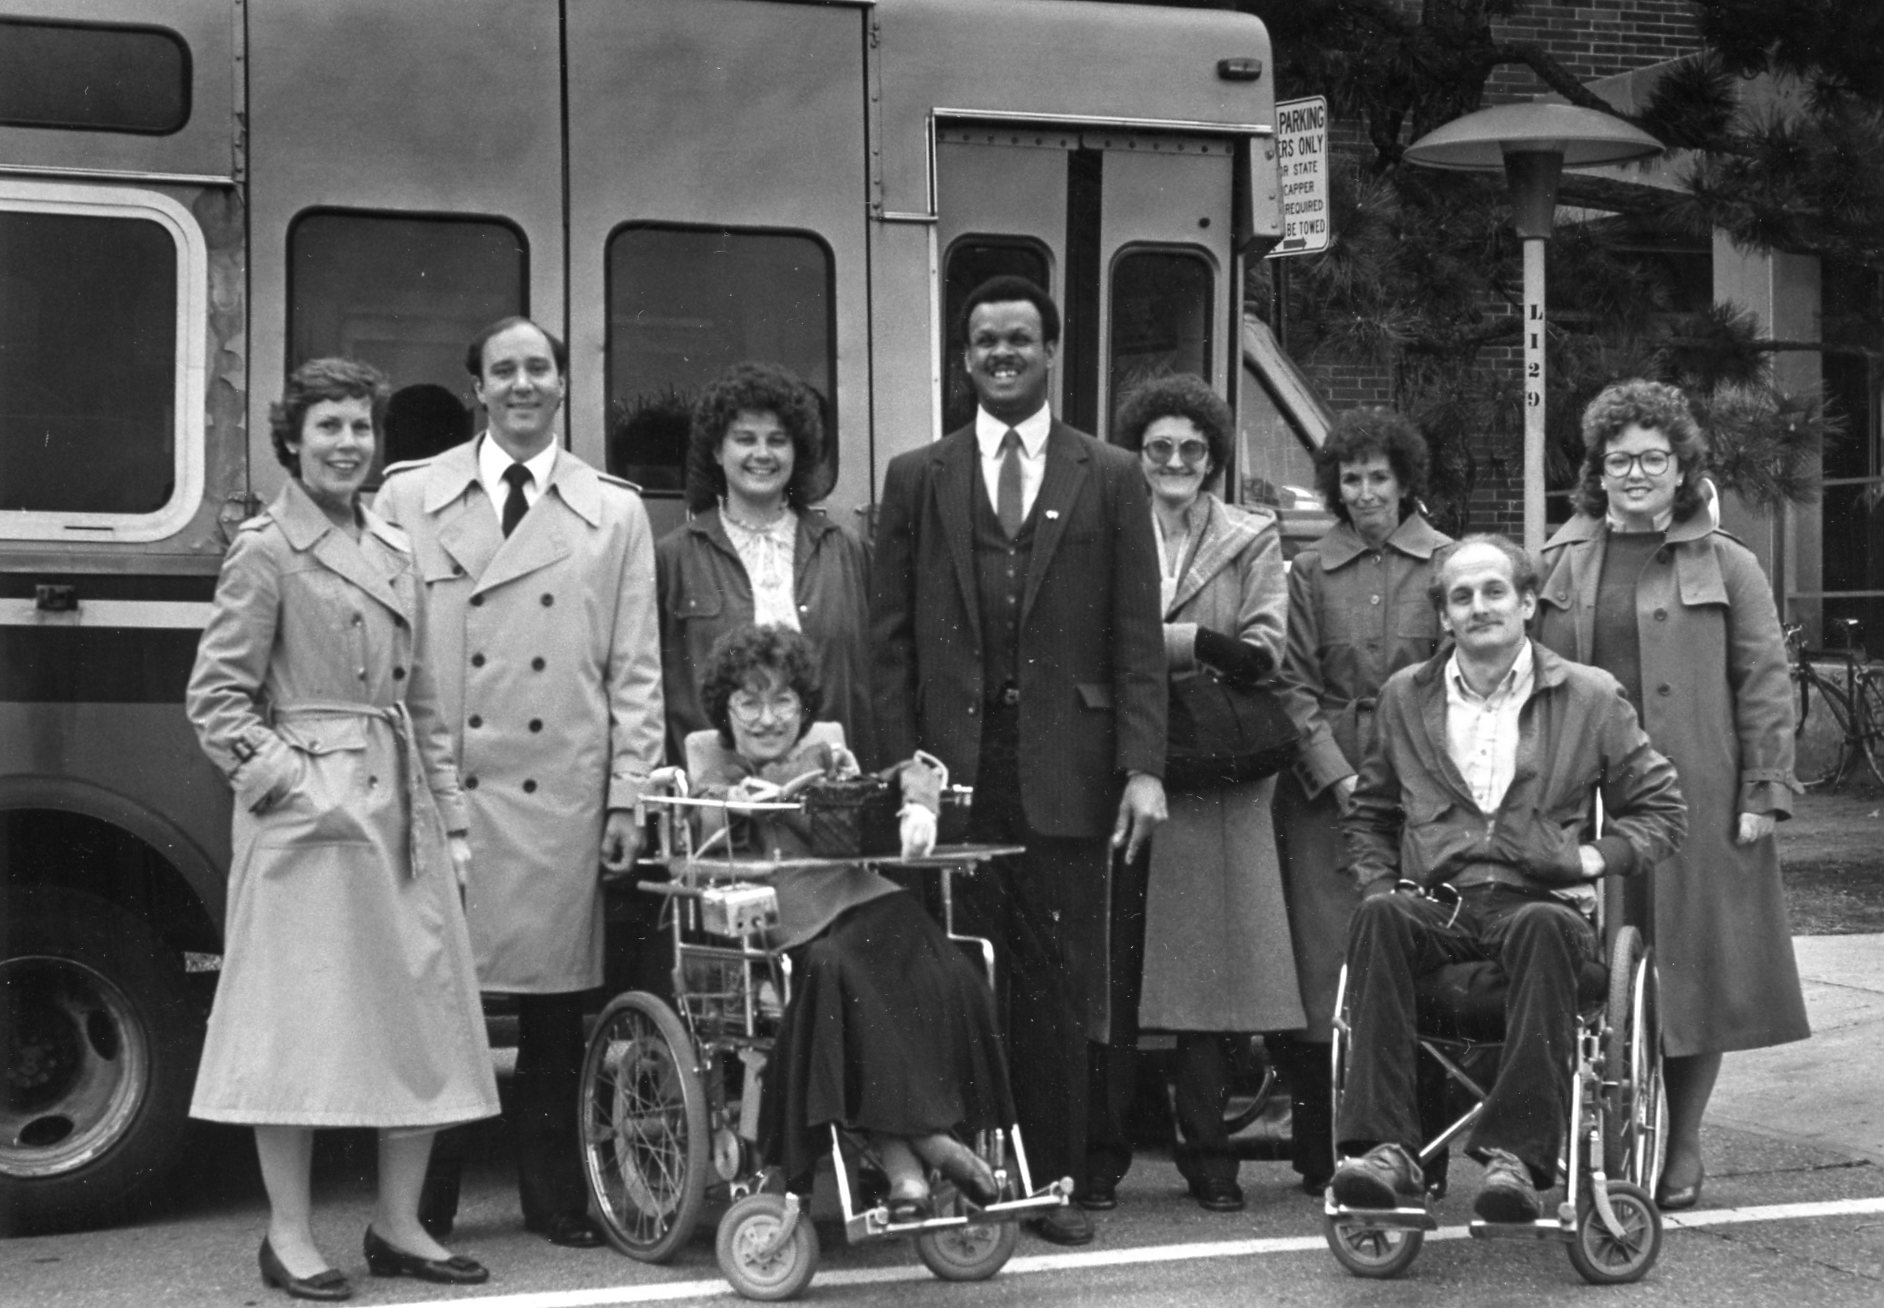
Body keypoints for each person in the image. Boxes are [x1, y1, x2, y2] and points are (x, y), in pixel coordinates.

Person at [187, 358, 500, 1299]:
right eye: (327, 426)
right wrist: (295, 781)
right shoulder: (266, 547)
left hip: (398, 811)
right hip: (309, 821)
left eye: (360, 427)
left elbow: (427, 701)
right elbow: (216, 700)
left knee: (421, 1017)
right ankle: (287, 1235)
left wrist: (449, 819)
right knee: (298, 1027)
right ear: (293, 438)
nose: (346, 444)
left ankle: (398, 1225)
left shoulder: (396, 545)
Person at [870, 275, 1167, 1246]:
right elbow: (890, 645)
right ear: (964, 359)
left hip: (1067, 773)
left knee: (1053, 986)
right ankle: (965, 1172)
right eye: (985, 341)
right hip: (948, 772)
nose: (1002, 353)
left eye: (1020, 339)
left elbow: (1136, 637)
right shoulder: (918, 476)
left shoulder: (1112, 475)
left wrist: (1144, 768)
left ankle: (1053, 1183)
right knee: (950, 976)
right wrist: (900, 767)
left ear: (1050, 352)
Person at [375, 316, 664, 1249]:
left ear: (562, 383)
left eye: (539, 367)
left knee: (550, 1016)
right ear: (479, 389)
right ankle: (424, 1207)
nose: (523, 384)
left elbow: (636, 672)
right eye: (505, 370)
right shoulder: (410, 497)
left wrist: (629, 795)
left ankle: (554, 1201)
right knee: (439, 998)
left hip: (561, 790)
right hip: (446, 785)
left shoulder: (613, 510)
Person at [1331, 535, 1686, 1223]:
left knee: (1546, 926)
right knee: (1379, 918)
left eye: (1494, 591)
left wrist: (1586, 860)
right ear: (1444, 617)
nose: (1478, 606)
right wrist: (1379, 884)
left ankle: (1516, 1161)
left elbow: (1664, 814)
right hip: (1442, 904)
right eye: (1460, 596)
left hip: (1541, 901)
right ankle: (1386, 1153)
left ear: (1527, 602)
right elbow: (1370, 815)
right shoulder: (1407, 697)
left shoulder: (1589, 695)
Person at [1535, 379, 1810, 1211]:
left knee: (1692, 972)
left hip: (1700, 798)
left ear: (1683, 467)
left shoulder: (1728, 561)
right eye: (1620, 460)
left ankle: (1681, 1147)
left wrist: (1765, 789)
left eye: (1655, 458)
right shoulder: (1559, 557)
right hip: (1586, 800)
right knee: (1589, 970)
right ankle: (1599, 1143)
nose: (1637, 473)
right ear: (1598, 469)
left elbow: (1764, 680)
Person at [683, 625, 1009, 1218]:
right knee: (843, 980)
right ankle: (924, 1152)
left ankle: (911, 1169)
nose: (766, 718)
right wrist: (741, 805)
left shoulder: (829, 760)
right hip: (800, 932)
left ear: (802, 708)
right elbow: (705, 832)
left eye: (782, 701)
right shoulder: (716, 778)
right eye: (748, 702)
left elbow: (910, 770)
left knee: (931, 972)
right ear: (724, 712)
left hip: (880, 909)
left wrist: (919, 808)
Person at [1085, 374, 1303, 1213]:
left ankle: (1210, 1158)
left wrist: (1151, 642)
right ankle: (1101, 1157)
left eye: (1193, 449)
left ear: (1212, 457)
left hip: (1212, 775)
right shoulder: (1106, 529)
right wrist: (1198, 642)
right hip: (1123, 767)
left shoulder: (1252, 536)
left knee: (1210, 977)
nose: (1176, 462)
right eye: (1159, 448)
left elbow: (1265, 653)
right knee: (1116, 968)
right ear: (1138, 454)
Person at [1270, 407, 1450, 1195]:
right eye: (1351, 478)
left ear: (1405, 480)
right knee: (1324, 972)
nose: (1366, 491)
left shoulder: (1447, 563)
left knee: (1417, 960)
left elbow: (1457, 679)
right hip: (1324, 801)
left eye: (1380, 476)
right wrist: (1339, 776)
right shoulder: (1310, 570)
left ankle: (1425, 1150)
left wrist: (1419, 784)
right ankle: (1323, 1153)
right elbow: (1292, 683)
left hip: (1426, 794)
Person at [656, 361, 871, 763]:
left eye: (777, 440)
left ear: (797, 450)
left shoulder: (845, 550)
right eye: (744, 439)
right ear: (718, 451)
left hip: (827, 790)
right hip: (717, 794)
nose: (762, 454)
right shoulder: (674, 557)